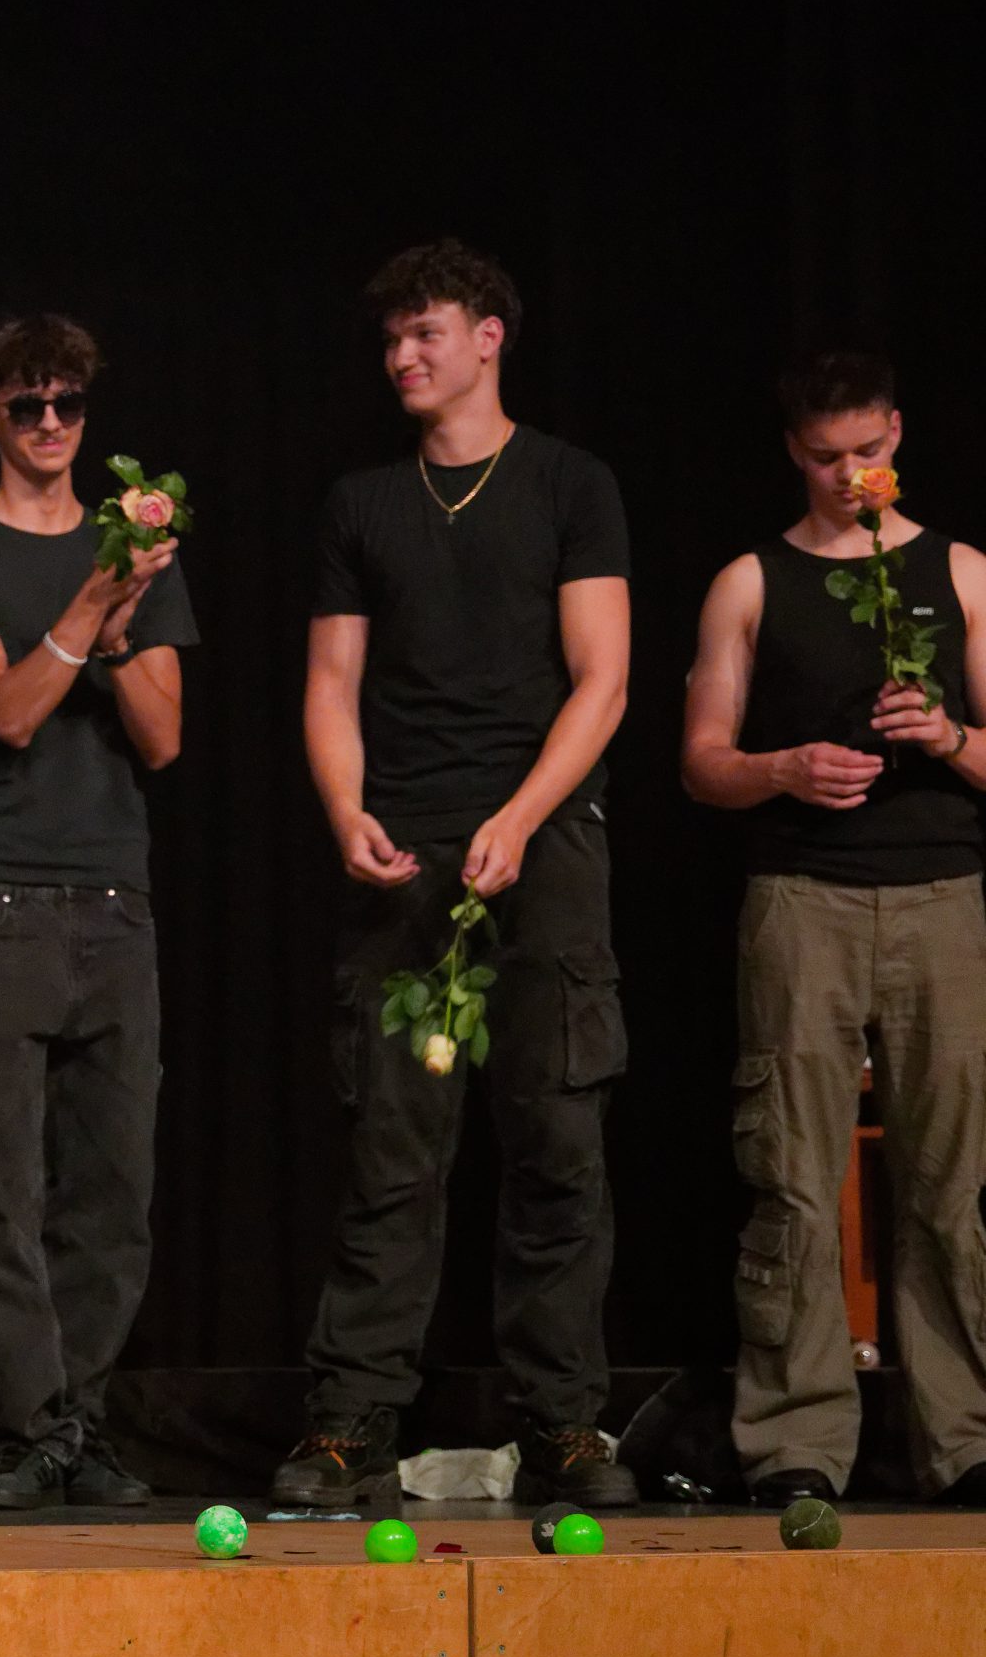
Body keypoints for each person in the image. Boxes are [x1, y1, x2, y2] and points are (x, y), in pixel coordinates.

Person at [281, 240, 637, 1510]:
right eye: (390, 339)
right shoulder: (362, 502)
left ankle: (562, 1427)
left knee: (555, 1142)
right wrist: (346, 814)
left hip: (544, 845)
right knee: (392, 1150)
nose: (402, 357)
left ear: (489, 337)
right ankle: (349, 1426)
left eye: (424, 332)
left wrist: (524, 816)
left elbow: (603, 677)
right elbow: (332, 685)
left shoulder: (568, 483)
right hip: (406, 853)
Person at [682, 350, 986, 1508]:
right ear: (792, 453)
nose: (850, 476)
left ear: (895, 435)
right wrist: (781, 769)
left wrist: (947, 737)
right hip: (801, 901)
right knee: (793, 1179)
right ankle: (797, 1439)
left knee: (948, 1184)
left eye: (866, 452)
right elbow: (701, 763)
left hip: (939, 899)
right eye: (825, 458)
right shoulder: (749, 581)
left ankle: (962, 1438)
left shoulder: (958, 570)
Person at [0, 313, 195, 1509]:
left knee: (112, 1192)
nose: (49, 424)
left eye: (67, 403)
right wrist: (91, 609)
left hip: (113, 899)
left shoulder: (136, 552)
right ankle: (25, 1433)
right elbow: (9, 711)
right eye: (26, 405)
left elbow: (164, 739)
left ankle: (80, 1425)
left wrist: (119, 632)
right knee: (1, 1193)